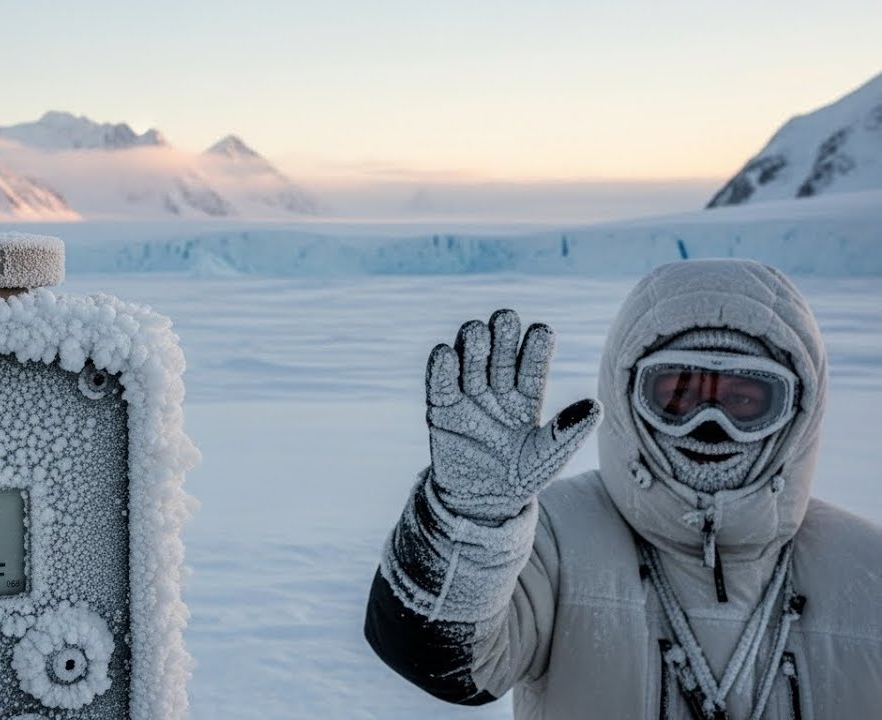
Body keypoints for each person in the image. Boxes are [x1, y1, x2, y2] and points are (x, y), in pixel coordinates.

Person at [364, 259, 882, 719]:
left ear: (797, 411)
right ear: (626, 394)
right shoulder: (550, 539)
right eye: (677, 397)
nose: (709, 426)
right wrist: (470, 524)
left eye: (746, 402)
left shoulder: (869, 570)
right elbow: (440, 660)